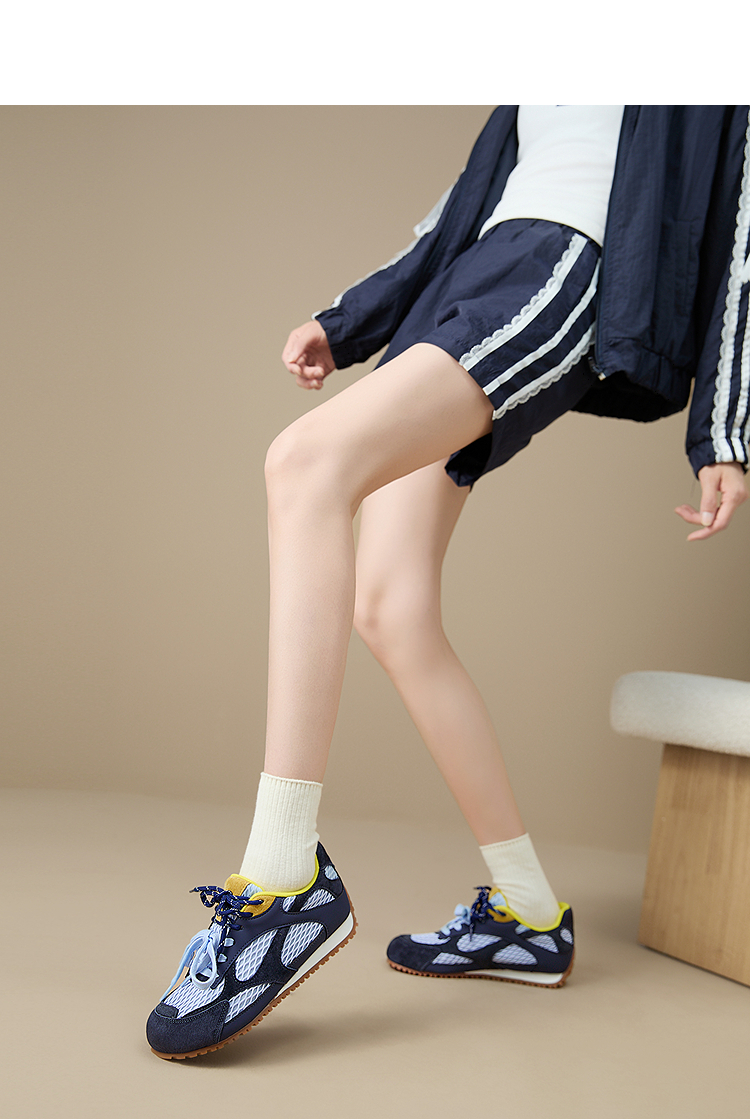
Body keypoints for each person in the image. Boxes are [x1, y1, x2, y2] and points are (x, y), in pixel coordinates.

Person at [146, 105, 750, 1059]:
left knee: (304, 465)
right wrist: (348, 321)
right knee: (391, 607)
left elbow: (743, 223)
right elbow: (460, 206)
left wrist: (723, 429)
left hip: (566, 261)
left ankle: (281, 876)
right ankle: (529, 913)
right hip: (474, 273)